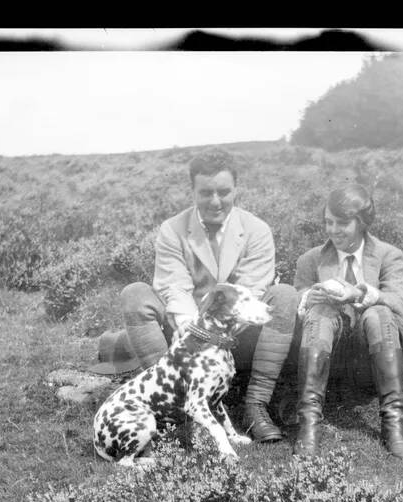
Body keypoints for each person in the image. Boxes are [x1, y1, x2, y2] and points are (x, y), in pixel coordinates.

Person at [119, 149, 299, 443]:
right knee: (135, 295)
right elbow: (173, 285)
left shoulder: (257, 230)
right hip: (184, 338)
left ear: (236, 190)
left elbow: (251, 292)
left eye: (224, 192)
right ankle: (171, 404)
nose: (216, 201)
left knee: (285, 294)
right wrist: (192, 330)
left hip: (237, 337)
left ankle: (255, 406)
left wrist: (211, 335)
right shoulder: (172, 230)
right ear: (192, 191)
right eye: (206, 193)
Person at [291, 184, 403, 460]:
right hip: (329, 354)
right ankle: (309, 423)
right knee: (321, 312)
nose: (333, 230)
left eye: (342, 223)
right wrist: (314, 295)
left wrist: (359, 293)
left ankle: (393, 422)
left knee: (378, 313)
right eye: (328, 222)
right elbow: (297, 302)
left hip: (375, 351)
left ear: (361, 223)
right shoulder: (309, 260)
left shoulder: (388, 255)